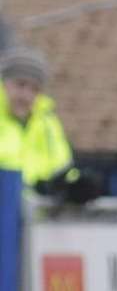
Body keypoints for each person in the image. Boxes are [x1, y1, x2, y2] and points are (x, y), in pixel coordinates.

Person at [0, 47, 101, 202]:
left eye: (35, 89)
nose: (26, 95)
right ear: (4, 83)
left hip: (33, 219)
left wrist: (73, 185)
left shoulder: (47, 124)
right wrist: (28, 189)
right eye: (21, 85)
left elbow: (61, 167)